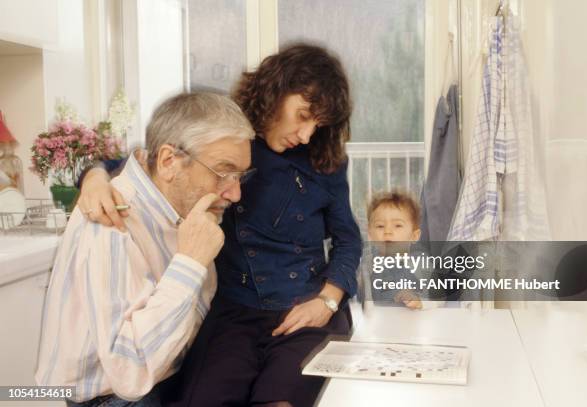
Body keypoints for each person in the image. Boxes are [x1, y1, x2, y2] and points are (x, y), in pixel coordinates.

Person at [77, 43, 362, 407]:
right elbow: (142, 162)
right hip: (232, 311)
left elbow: (348, 240)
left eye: (317, 125)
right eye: (303, 115)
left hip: (303, 308)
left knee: (279, 401)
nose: (307, 134)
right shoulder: (223, 133)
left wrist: (327, 300)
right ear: (277, 90)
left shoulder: (326, 161)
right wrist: (96, 178)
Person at [35, 93, 254, 406]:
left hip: (170, 378)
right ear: (168, 162)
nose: (235, 193)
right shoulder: (110, 222)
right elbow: (130, 372)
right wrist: (190, 264)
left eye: (241, 175)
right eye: (223, 172)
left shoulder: (183, 207)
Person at [366, 190, 427, 310]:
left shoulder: (420, 263)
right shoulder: (367, 264)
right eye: (380, 226)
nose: (387, 231)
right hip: (378, 323)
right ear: (370, 235)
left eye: (398, 225)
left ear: (414, 236)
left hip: (412, 322)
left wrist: (420, 301)